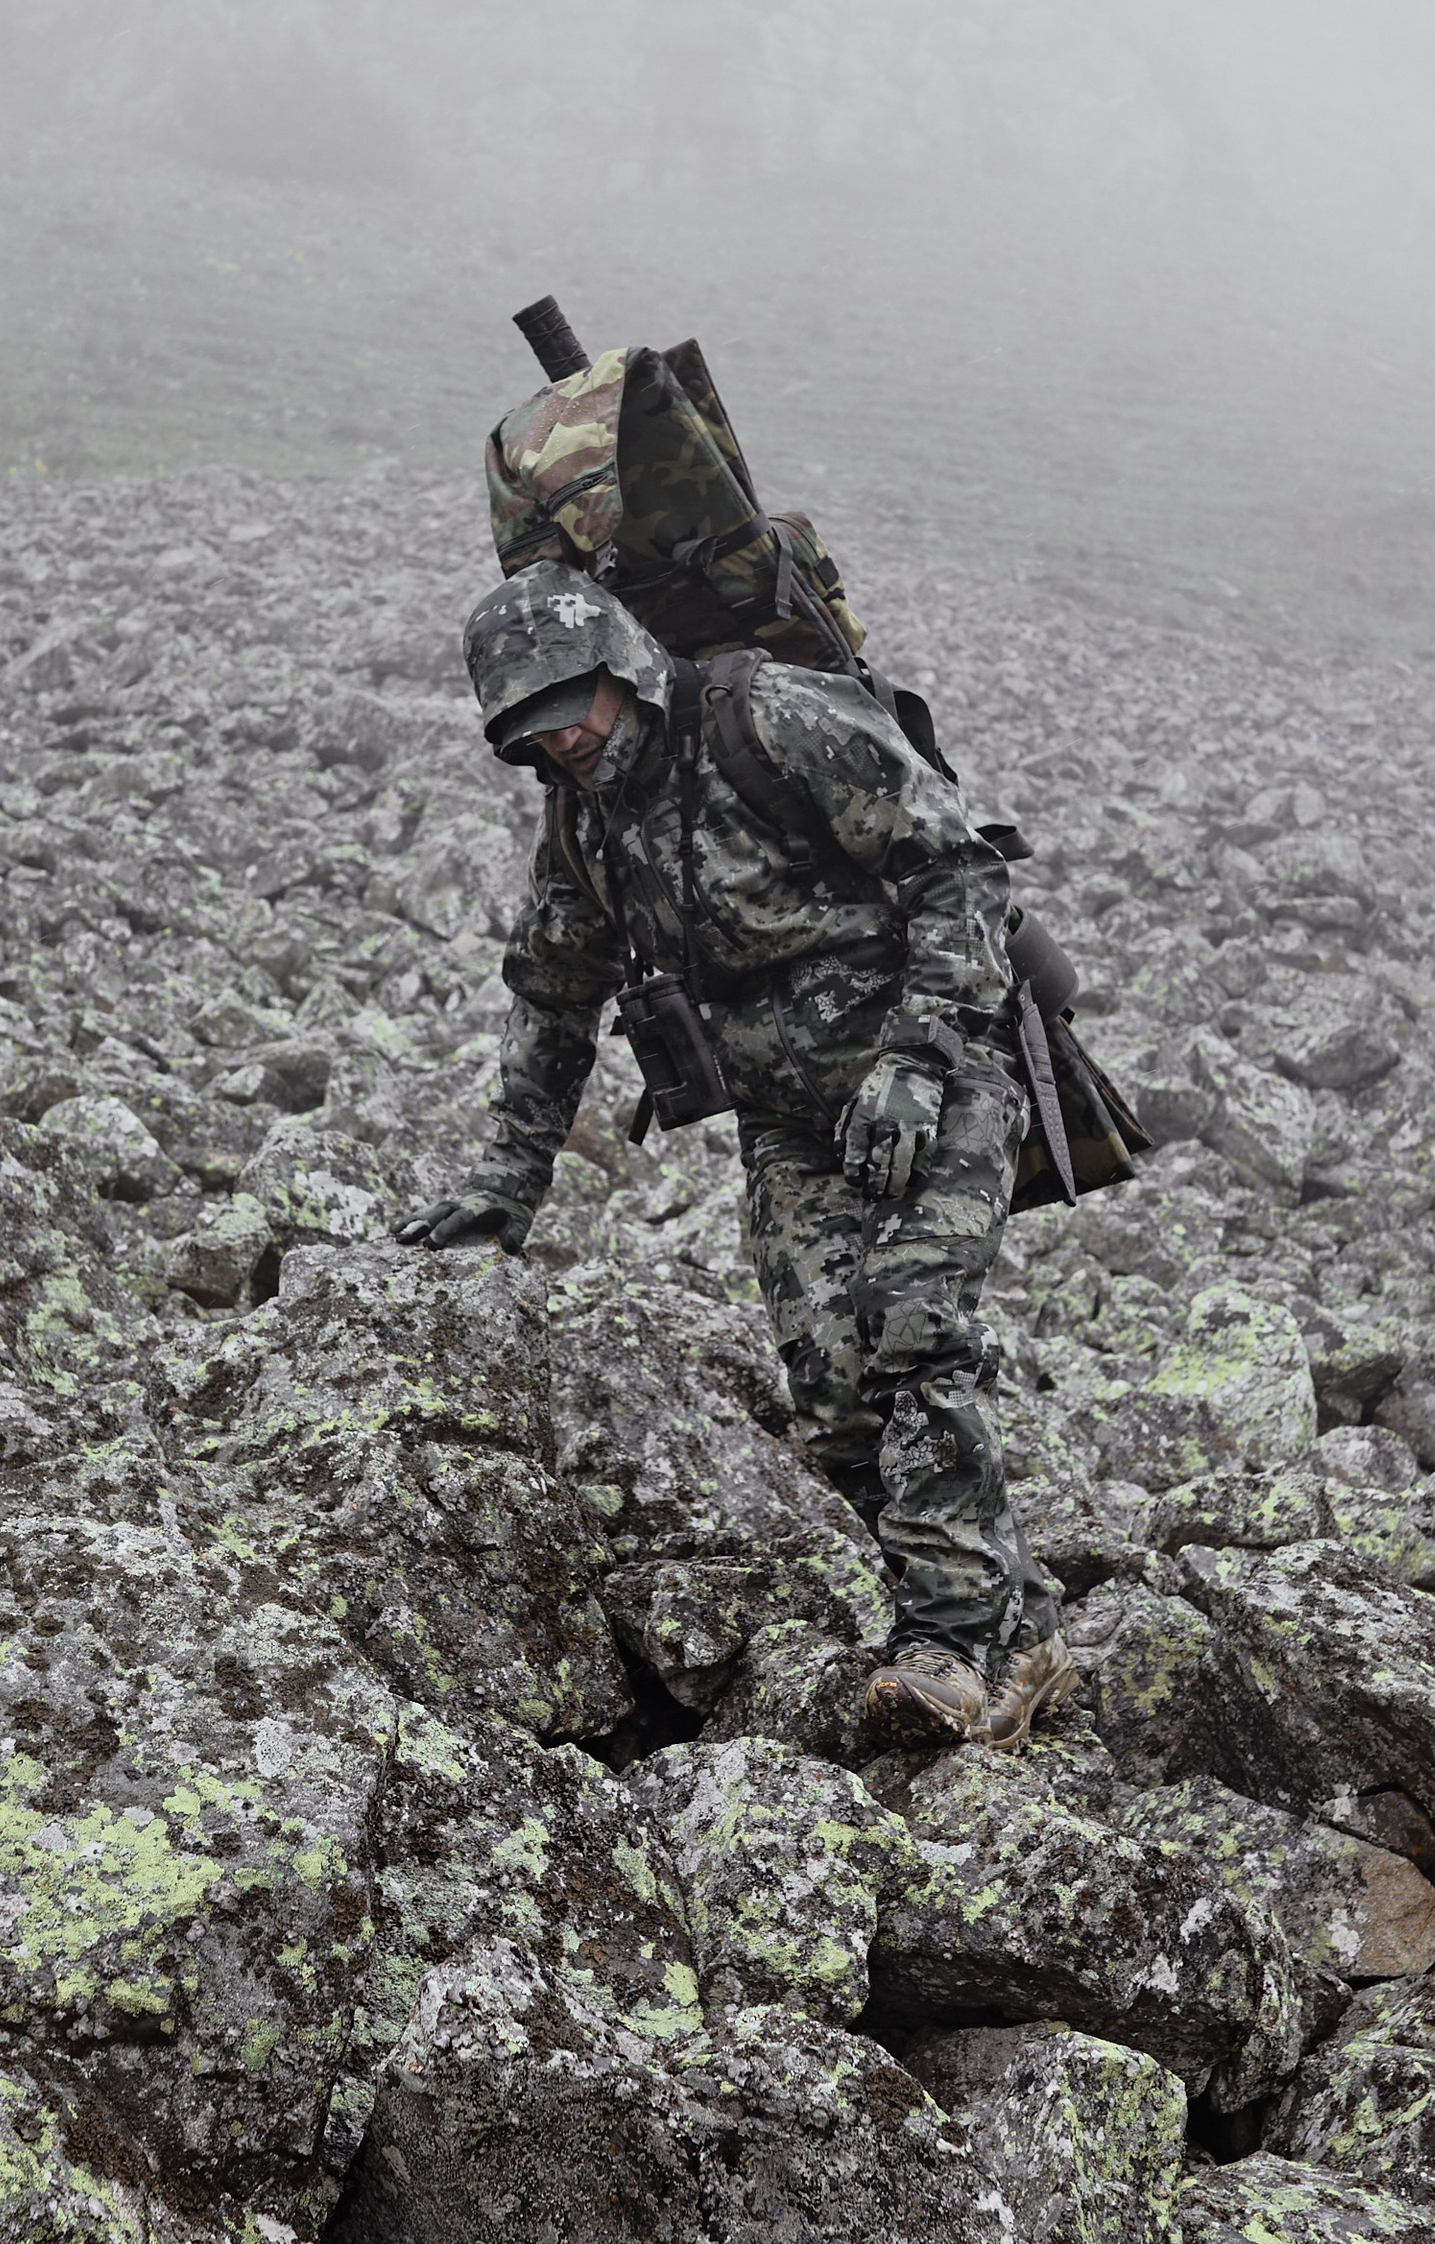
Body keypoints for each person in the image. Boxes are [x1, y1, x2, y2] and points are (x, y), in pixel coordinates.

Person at [394, 568, 1075, 1750]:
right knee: (831, 1386)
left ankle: (953, 1647)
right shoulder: (587, 824)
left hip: (939, 1071)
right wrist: (503, 1188)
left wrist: (916, 1056)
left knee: (911, 1323)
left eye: (571, 708)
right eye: (532, 733)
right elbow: (552, 1000)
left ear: (621, 669)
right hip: (792, 1122)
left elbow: (957, 872)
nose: (563, 743)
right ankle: (1018, 1627)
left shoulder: (773, 719)